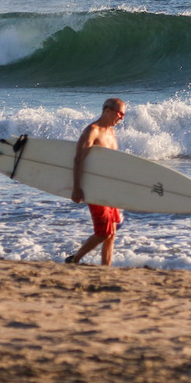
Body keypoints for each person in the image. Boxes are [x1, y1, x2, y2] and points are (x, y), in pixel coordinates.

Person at [65, 98, 127, 266]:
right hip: (94, 187)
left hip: (108, 187)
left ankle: (106, 267)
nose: (122, 117)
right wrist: (77, 188)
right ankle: (75, 259)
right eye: (119, 113)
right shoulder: (92, 131)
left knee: (113, 230)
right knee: (104, 232)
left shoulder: (112, 133)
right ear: (107, 110)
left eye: (123, 115)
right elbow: (79, 159)